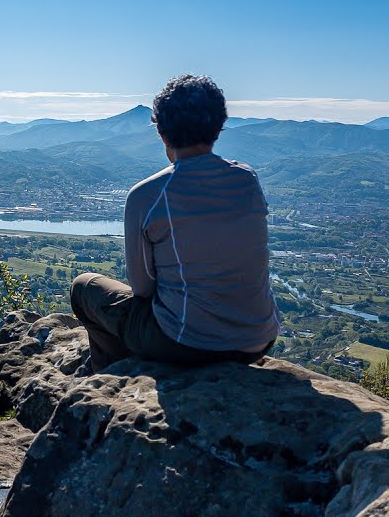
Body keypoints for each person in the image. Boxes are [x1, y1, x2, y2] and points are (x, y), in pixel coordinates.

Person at [70, 74, 279, 370]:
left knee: (84, 287)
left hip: (186, 344)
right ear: (219, 127)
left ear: (161, 132)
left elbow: (142, 289)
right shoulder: (247, 179)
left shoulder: (148, 195)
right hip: (257, 341)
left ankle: (113, 375)